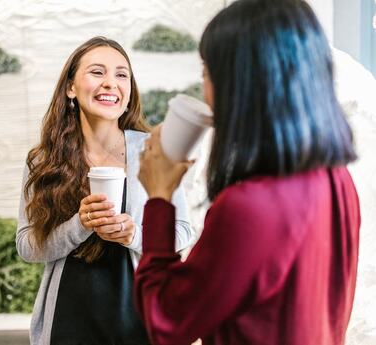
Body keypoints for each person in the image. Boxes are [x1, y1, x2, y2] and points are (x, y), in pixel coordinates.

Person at [135, 1, 361, 344]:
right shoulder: (335, 179)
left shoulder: (250, 207)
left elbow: (166, 323)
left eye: (207, 73)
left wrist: (159, 198)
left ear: (241, 84)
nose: (206, 92)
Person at [16, 36, 194, 345]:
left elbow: (183, 231)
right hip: (68, 322)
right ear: (71, 88)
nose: (110, 83)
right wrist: (80, 225)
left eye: (121, 74)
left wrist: (133, 234)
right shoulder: (43, 161)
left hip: (140, 321)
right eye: (97, 72)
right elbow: (27, 246)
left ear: (128, 93)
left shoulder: (154, 152)